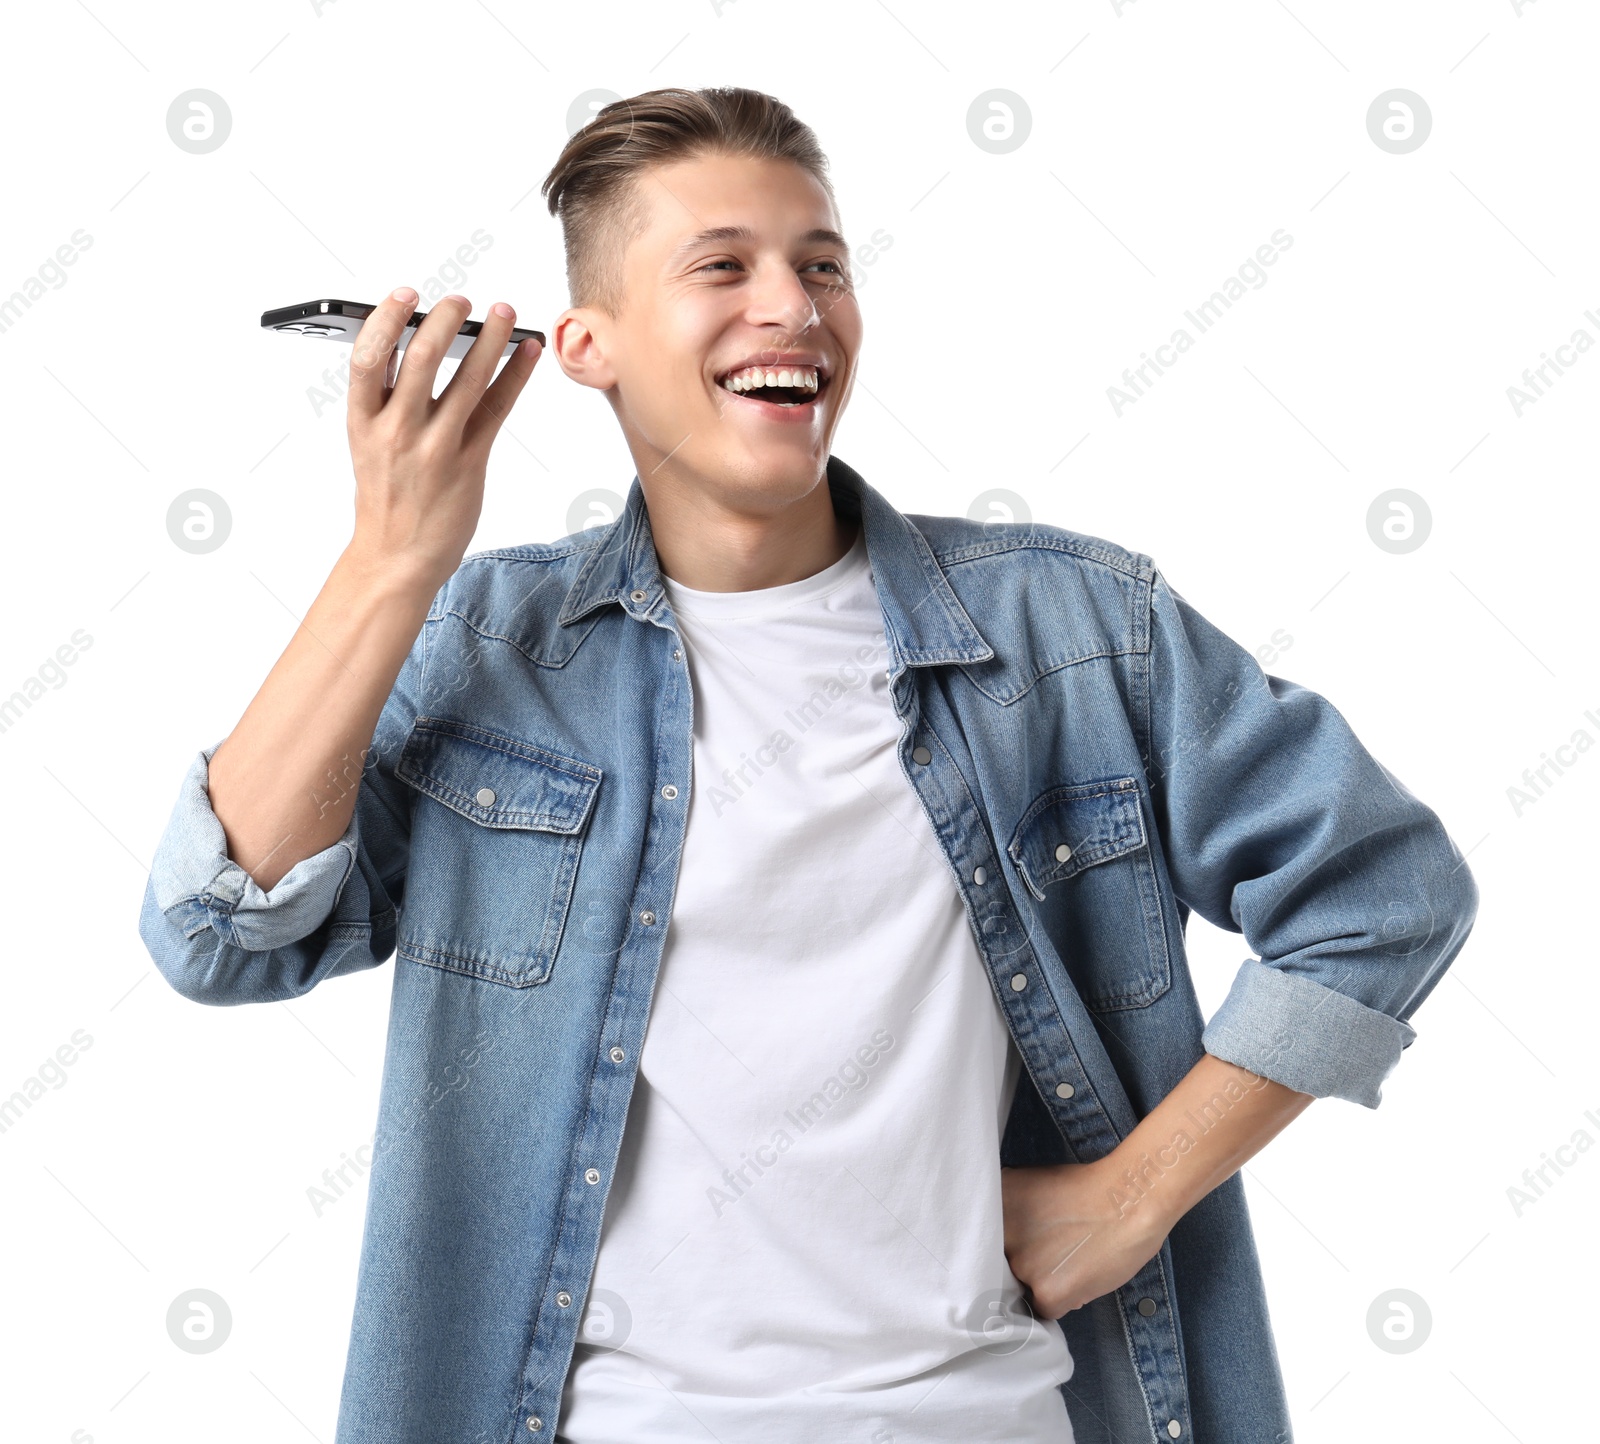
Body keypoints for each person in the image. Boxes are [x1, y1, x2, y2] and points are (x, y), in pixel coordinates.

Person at [138, 86, 1479, 1444]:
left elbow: (1385, 894)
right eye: (722, 266)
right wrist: (392, 560)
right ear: (586, 346)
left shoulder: (1074, 635)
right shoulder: (497, 646)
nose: (793, 305)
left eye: (821, 264)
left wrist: (1136, 1196)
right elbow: (221, 933)